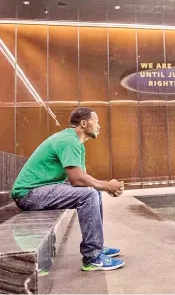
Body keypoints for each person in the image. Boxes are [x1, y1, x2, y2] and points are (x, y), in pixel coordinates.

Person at [11, 107, 125, 271]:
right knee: (89, 195)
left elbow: (83, 179)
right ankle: (93, 257)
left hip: (41, 190)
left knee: (93, 192)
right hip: (28, 194)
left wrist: (105, 187)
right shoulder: (68, 140)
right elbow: (76, 178)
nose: (99, 126)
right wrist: (107, 185)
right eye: (96, 121)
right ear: (84, 123)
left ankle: (96, 245)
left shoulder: (77, 144)